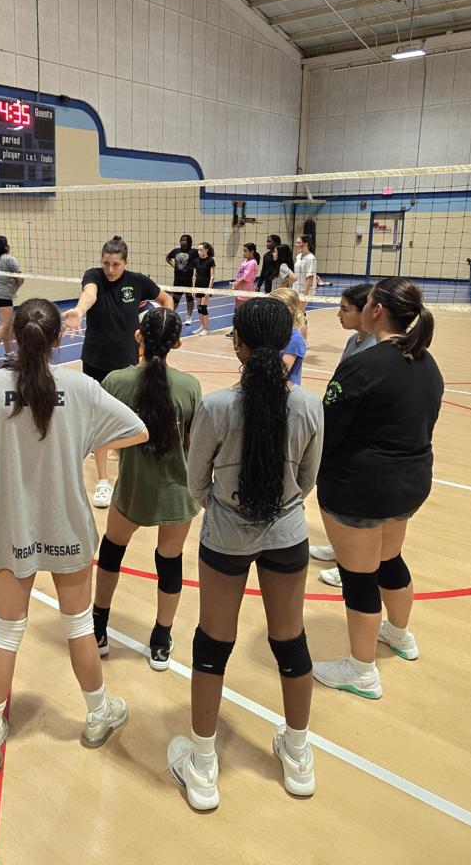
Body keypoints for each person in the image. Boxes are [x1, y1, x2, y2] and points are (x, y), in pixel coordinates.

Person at [0, 298, 149, 776]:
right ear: (57, 338)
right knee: (79, 626)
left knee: (5, 633)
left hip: (14, 529)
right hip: (68, 527)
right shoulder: (81, 387)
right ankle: (98, 714)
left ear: (14, 335)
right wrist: (84, 441)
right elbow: (138, 431)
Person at [168, 298, 323, 810]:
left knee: (212, 643)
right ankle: (297, 756)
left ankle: (203, 765)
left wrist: (225, 509)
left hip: (225, 537)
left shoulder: (216, 407)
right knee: (290, 641)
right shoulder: (308, 404)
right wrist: (279, 507)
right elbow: (307, 479)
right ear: (284, 342)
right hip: (287, 534)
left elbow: (195, 481)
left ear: (238, 343)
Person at [313, 278, 443, 700]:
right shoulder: (427, 362)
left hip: (361, 487)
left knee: (358, 577)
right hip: (411, 483)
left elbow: (328, 433)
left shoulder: (364, 365)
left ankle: (361, 671)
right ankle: (400, 635)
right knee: (389, 560)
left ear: (377, 310)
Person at [93, 308, 201, 670]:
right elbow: (194, 445)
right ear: (177, 343)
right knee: (170, 563)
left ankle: (98, 627)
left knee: (111, 552)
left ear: (138, 336)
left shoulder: (115, 382)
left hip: (132, 489)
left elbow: (101, 435)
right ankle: (161, 639)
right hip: (177, 493)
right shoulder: (190, 387)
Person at [62, 236, 174, 509]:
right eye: (106, 264)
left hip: (127, 362)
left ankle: (132, 471)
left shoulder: (138, 281)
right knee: (98, 418)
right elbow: (90, 294)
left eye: (116, 264)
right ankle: (103, 480)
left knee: (129, 416)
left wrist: (166, 327)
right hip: (96, 359)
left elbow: (165, 298)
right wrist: (79, 309)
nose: (110, 270)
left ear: (126, 263)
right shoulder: (94, 276)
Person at [311, 283, 376, 581]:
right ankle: (340, 549)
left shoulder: (375, 349)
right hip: (341, 428)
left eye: (344, 309)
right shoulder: (354, 340)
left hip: (359, 434)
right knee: (335, 498)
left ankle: (349, 567)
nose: (338, 313)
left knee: (355, 506)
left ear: (366, 311)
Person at [0, 235, 24, 362]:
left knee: (7, 326)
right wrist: (15, 289)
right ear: (5, 246)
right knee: (5, 325)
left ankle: (9, 353)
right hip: (3, 296)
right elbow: (20, 279)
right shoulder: (9, 259)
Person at [270, 288, 307, 385]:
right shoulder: (273, 333)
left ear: (287, 311)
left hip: (284, 391)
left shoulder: (294, 339)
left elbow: (280, 373)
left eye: (272, 308)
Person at [166, 235, 199, 326]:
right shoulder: (176, 251)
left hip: (189, 280)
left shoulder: (194, 252)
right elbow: (167, 258)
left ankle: (189, 317)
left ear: (189, 242)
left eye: (185, 240)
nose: (183, 241)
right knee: (175, 299)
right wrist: (174, 266)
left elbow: (202, 259)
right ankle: (170, 316)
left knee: (189, 298)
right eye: (182, 239)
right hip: (178, 280)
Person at [192, 242, 215, 337]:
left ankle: (206, 329)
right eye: (198, 250)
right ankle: (201, 326)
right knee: (199, 308)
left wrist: (209, 290)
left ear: (206, 250)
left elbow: (212, 277)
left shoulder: (210, 260)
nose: (199, 251)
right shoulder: (196, 261)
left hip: (206, 287)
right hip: (198, 286)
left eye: (201, 250)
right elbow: (194, 276)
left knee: (203, 307)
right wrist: (193, 288)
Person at [293, 235, 317, 314]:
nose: (296, 245)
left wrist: (305, 295)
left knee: (297, 312)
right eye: (296, 242)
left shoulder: (311, 258)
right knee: (300, 313)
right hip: (296, 289)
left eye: (298, 243)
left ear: (306, 244)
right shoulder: (298, 256)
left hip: (305, 291)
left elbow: (310, 278)